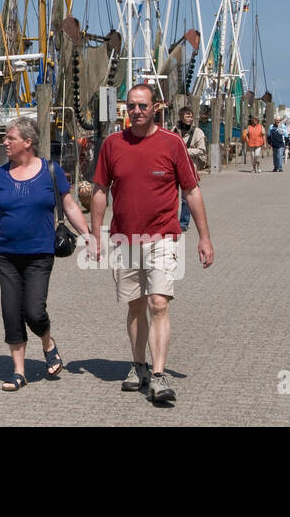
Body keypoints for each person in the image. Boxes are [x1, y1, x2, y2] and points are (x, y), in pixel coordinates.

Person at [90, 84, 213, 404]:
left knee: (159, 302)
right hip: (124, 238)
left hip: (163, 236)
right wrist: (95, 234)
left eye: (142, 106)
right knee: (135, 305)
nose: (136, 112)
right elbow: (100, 190)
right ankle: (138, 365)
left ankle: (158, 375)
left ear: (155, 107)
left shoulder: (172, 144)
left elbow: (192, 191)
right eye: (131, 106)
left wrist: (204, 237)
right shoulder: (112, 144)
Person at [0, 116, 90, 392]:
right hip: (6, 254)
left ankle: (48, 343)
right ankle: (18, 372)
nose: (4, 142)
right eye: (5, 138)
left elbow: (70, 207)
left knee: (34, 311)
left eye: (10, 138)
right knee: (10, 312)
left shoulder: (51, 172)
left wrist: (89, 237)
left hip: (40, 254)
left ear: (27, 143)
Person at [171, 106, 206, 232]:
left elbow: (202, 150)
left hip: (190, 167)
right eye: (187, 116)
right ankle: (171, 221)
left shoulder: (198, 132)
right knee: (171, 195)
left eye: (191, 116)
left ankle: (183, 222)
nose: (190, 118)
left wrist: (185, 151)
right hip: (173, 167)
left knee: (187, 197)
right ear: (181, 116)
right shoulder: (173, 130)